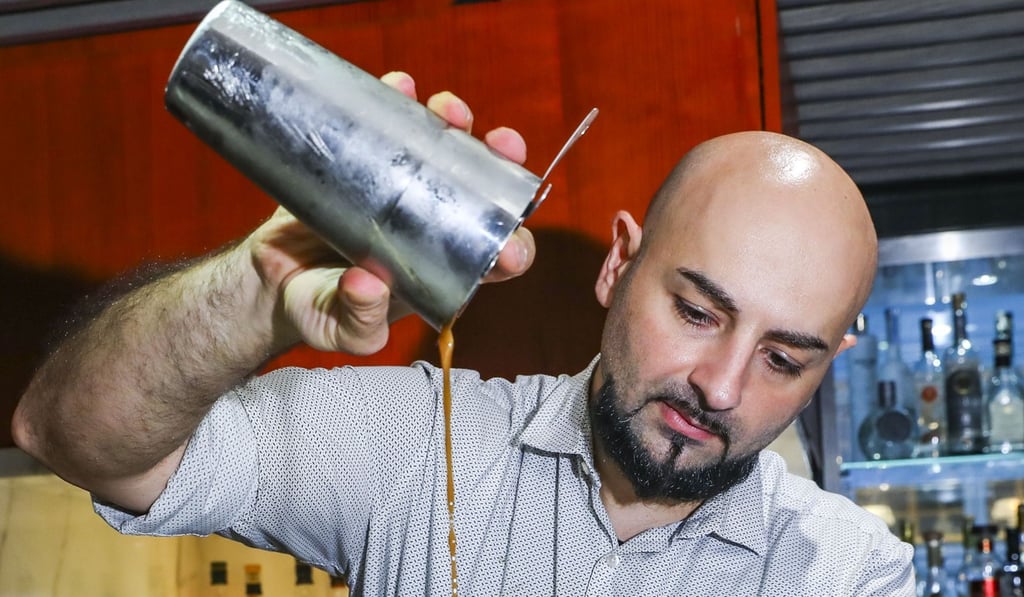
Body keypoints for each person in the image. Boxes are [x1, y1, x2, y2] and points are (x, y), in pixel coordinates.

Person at [12, 71, 913, 595]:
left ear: (829, 366)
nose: (721, 385)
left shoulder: (848, 573)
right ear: (620, 265)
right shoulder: (416, 445)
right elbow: (70, 434)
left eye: (781, 357)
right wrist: (258, 286)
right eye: (697, 312)